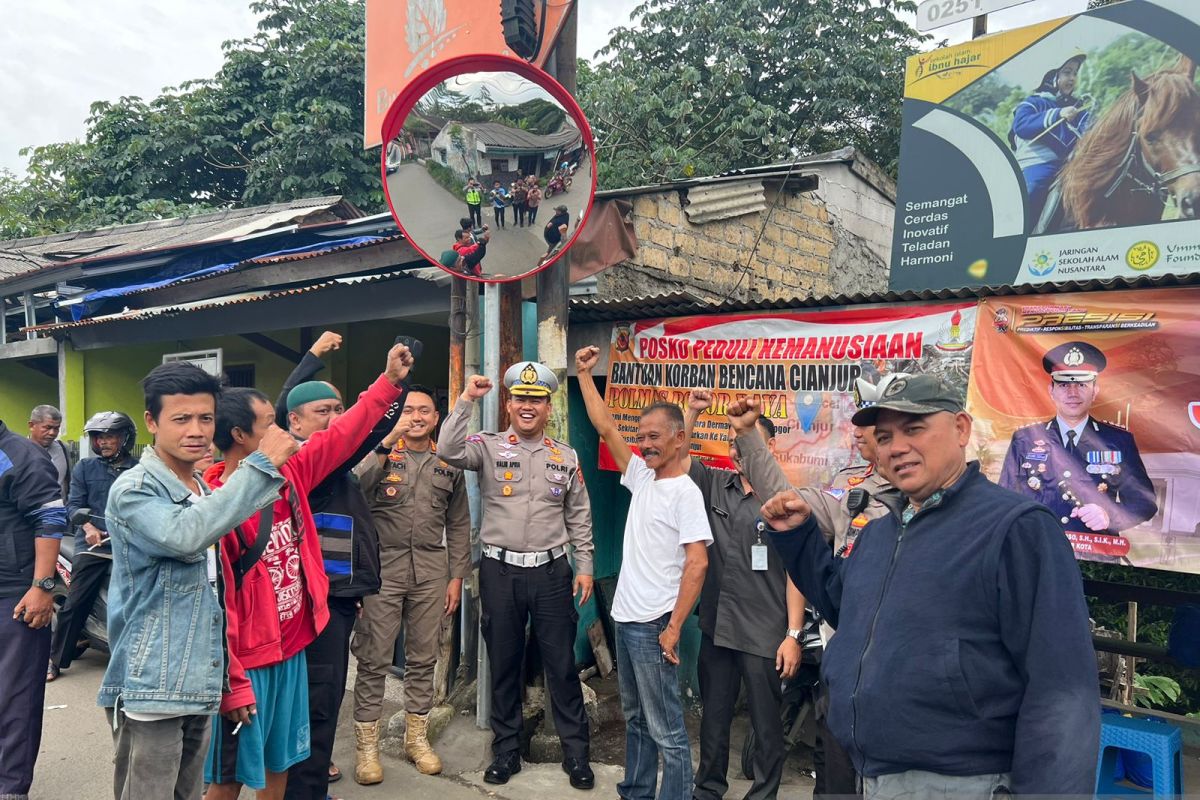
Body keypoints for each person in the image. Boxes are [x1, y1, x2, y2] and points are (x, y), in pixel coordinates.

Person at [759, 373, 1099, 798]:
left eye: (914, 428)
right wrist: (798, 538)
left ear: (960, 429)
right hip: (871, 776)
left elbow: (1063, 692)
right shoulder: (881, 532)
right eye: (883, 437)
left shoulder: (1016, 529)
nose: (896, 447)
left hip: (962, 783)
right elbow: (844, 606)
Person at [202, 343, 411, 800]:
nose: (280, 430)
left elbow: (345, 435)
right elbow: (219, 601)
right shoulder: (214, 502)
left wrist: (389, 382)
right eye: (269, 425)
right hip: (248, 659)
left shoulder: (294, 471)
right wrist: (231, 675)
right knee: (228, 776)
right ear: (241, 435)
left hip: (293, 646)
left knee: (283, 761)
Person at [98, 362, 297, 800]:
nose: (196, 430)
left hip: (199, 679)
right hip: (153, 682)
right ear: (152, 422)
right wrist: (262, 465)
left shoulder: (204, 492)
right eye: (181, 419)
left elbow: (215, 600)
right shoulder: (135, 490)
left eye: (205, 418)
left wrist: (230, 679)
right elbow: (184, 535)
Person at [731, 377, 906, 798]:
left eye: (895, 428)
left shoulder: (955, 505)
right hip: (843, 657)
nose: (869, 435)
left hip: (903, 672)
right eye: (872, 427)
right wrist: (749, 438)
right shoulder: (853, 490)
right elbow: (786, 502)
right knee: (833, 773)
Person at [437, 361, 595, 790]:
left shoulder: (566, 456)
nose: (528, 406)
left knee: (561, 665)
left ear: (548, 407)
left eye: (536, 400)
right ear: (508, 404)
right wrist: (467, 399)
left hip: (551, 573)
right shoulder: (486, 447)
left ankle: (576, 753)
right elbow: (447, 449)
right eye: (521, 399)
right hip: (500, 570)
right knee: (504, 663)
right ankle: (506, 751)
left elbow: (578, 515)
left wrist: (585, 566)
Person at [575, 345, 712, 800]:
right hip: (627, 618)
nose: (646, 443)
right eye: (643, 435)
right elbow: (605, 425)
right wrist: (585, 375)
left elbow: (698, 563)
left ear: (678, 440)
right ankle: (636, 790)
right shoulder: (642, 477)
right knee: (635, 717)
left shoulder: (685, 493)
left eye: (656, 436)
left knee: (667, 727)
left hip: (655, 623)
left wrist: (673, 628)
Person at [272, 331, 397, 800]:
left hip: (338, 597)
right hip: (308, 601)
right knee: (316, 701)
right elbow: (366, 427)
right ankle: (303, 791)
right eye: (323, 412)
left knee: (319, 699)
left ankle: (304, 783)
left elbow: (374, 428)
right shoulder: (305, 460)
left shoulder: (336, 462)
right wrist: (310, 359)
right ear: (294, 425)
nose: (336, 419)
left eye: (340, 409)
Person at [680, 390, 804, 800]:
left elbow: (798, 574)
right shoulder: (716, 484)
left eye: (745, 443)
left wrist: (792, 634)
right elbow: (677, 458)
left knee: (766, 722)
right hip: (717, 624)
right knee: (713, 717)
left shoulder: (786, 499)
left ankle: (764, 792)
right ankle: (708, 787)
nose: (736, 451)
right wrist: (693, 412)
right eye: (732, 444)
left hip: (765, 633)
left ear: (766, 447)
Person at [351, 386, 471, 782]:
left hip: (432, 571)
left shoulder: (447, 461)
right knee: (374, 657)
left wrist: (457, 577)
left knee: (424, 656)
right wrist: (385, 440)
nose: (416, 417)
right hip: (382, 569)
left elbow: (458, 523)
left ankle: (415, 738)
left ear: (436, 419)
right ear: (396, 415)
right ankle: (367, 747)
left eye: (425, 411)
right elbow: (356, 488)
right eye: (408, 411)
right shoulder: (380, 453)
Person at [1000, 340, 1157, 561]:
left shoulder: (1118, 440)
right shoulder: (1025, 439)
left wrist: (1109, 515)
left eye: (1082, 384)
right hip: (1034, 549)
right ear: (1051, 390)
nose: (1072, 393)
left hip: (1095, 556)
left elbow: (1145, 502)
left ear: (1095, 391)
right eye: (1064, 385)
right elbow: (1005, 496)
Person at [0, 413, 66, 800]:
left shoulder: (18, 454)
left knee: (14, 697)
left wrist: (42, 586)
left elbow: (49, 516)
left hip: (14, 594)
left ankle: (11, 788)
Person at [47, 411, 139, 682]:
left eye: (109, 436)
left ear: (125, 438)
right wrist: (88, 527)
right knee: (75, 602)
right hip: (95, 547)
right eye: (98, 437)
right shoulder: (85, 468)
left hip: (133, 545)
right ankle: (55, 661)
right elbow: (73, 505)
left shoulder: (140, 469)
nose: (103, 442)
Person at [1008, 51, 1093, 226]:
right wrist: (1058, 114)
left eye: (1075, 73)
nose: (1072, 78)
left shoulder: (1077, 108)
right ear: (1050, 76)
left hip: (1071, 163)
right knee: (1031, 190)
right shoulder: (1033, 102)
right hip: (1038, 165)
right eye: (1067, 72)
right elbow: (1021, 126)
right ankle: (1021, 233)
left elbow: (1089, 132)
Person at [29, 404, 71, 499]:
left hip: (60, 511)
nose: (52, 433)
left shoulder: (63, 448)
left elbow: (67, 483)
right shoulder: (19, 451)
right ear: (31, 426)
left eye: (56, 428)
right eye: (47, 427)